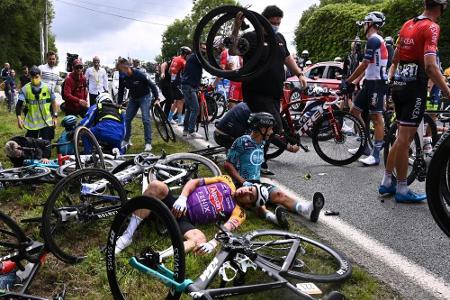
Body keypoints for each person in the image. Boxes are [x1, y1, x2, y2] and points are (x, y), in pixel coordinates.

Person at [380, 0, 450, 203]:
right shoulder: (432, 27)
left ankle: (387, 181)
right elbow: (429, 66)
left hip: (399, 85)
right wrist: (446, 90)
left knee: (402, 136)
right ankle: (402, 189)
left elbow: (396, 58)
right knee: (404, 139)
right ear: (441, 7)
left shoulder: (408, 24)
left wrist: (392, 79)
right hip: (414, 87)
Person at [114, 175, 266, 255]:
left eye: (250, 196)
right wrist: (183, 197)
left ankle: (158, 257)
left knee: (200, 238)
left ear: (249, 205)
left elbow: (226, 229)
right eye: (250, 189)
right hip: (177, 204)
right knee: (156, 186)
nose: (246, 192)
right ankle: (126, 237)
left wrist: (213, 243)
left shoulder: (239, 212)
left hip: (186, 221)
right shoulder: (226, 180)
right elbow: (194, 182)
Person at [224, 112, 324, 228]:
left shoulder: (263, 140)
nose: (271, 132)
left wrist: (291, 146)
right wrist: (243, 182)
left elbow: (276, 139)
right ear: (262, 128)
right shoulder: (242, 142)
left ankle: (307, 210)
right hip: (242, 185)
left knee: (279, 194)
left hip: (256, 183)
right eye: (270, 129)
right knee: (258, 202)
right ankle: (274, 219)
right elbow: (227, 165)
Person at [240, 5, 307, 176]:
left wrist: (299, 73)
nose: (275, 25)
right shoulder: (251, 37)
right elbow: (233, 49)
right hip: (256, 91)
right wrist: (235, 26)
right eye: (272, 22)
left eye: (278, 22)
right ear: (262, 21)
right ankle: (258, 160)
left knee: (263, 127)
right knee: (272, 124)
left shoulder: (279, 38)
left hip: (273, 92)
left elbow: (287, 57)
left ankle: (256, 160)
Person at [343, 11, 388, 166]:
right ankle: (366, 147)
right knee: (354, 112)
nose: (363, 25)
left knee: (376, 118)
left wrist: (349, 81)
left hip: (377, 83)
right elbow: (369, 67)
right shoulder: (372, 40)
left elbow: (364, 64)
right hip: (369, 82)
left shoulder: (374, 40)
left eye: (365, 22)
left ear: (371, 24)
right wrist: (356, 81)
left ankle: (375, 154)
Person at [117, 58, 159, 152]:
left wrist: (157, 99)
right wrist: (119, 103)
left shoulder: (139, 74)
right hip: (133, 98)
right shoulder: (122, 76)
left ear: (126, 67)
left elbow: (152, 85)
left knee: (145, 119)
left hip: (145, 97)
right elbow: (121, 90)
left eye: (121, 70)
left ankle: (148, 143)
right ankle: (127, 139)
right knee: (127, 119)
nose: (120, 72)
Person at [16, 66, 57, 141]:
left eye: (36, 77)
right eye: (32, 77)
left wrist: (55, 117)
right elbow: (19, 105)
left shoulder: (48, 87)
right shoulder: (25, 89)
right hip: (32, 124)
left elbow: (54, 103)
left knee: (46, 145)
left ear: (40, 76)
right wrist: (19, 118)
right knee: (31, 147)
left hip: (46, 122)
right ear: (29, 77)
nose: (34, 79)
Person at [180, 44, 206, 139]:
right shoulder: (196, 57)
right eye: (203, 49)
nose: (205, 51)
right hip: (189, 86)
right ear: (198, 49)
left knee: (189, 109)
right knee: (195, 109)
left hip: (189, 86)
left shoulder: (194, 57)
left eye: (205, 49)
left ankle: (185, 130)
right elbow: (207, 66)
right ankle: (191, 131)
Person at [167, 46, 191, 125]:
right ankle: (180, 120)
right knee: (181, 101)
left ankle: (170, 118)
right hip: (178, 83)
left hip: (173, 82)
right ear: (186, 54)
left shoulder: (175, 59)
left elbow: (169, 71)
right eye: (188, 54)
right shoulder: (183, 61)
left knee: (177, 101)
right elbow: (187, 73)